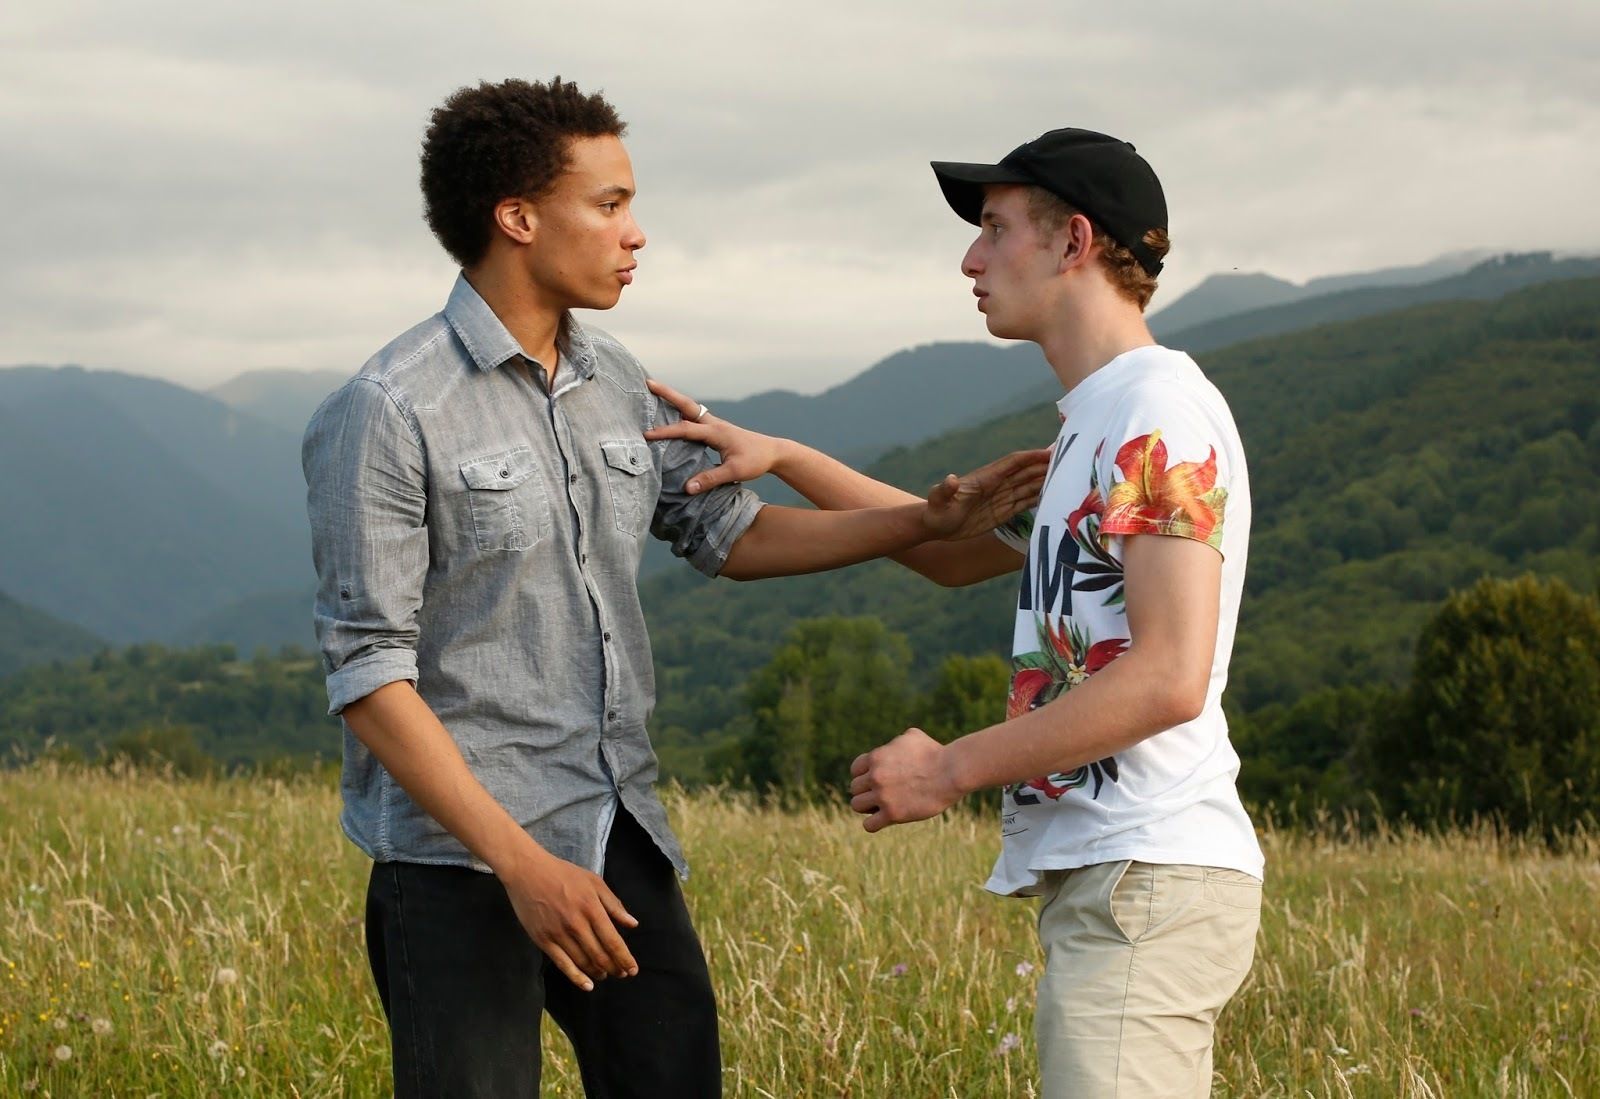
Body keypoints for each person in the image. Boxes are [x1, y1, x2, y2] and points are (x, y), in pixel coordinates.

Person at [300, 77, 1044, 1099]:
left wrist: (919, 522)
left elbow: (727, 534)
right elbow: (369, 673)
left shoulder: (614, 379)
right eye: (608, 205)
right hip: (458, 862)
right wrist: (519, 864)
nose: (635, 233)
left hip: (617, 832)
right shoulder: (385, 409)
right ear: (516, 218)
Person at [646, 128, 1262, 1098]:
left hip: (1146, 873)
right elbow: (942, 551)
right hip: (1116, 879)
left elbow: (1170, 672)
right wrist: (789, 456)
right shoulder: (1090, 427)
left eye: (994, 229)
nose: (970, 260)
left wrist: (949, 767)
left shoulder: (1155, 416)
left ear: (1075, 243)